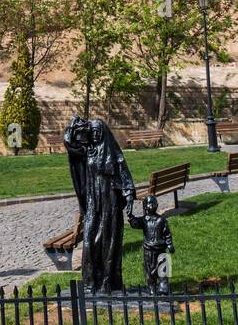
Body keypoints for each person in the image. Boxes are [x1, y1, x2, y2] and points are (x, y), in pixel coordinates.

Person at [63, 115, 136, 293]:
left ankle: (107, 282)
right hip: (93, 203)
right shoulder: (88, 150)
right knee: (89, 240)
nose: (95, 135)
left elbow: (125, 177)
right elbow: (69, 143)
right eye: (92, 132)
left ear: (103, 133)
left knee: (109, 242)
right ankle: (90, 282)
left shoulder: (114, 153)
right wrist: (76, 125)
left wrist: (128, 195)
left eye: (98, 132)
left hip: (110, 203)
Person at [127, 195, 175, 296]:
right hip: (149, 249)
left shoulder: (161, 220)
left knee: (163, 267)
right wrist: (130, 216)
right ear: (145, 206)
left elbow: (167, 233)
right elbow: (135, 223)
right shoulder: (144, 220)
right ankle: (151, 286)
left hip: (161, 248)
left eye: (153, 203)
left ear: (157, 205)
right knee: (149, 269)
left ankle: (163, 286)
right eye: (149, 203)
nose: (151, 205)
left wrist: (169, 244)